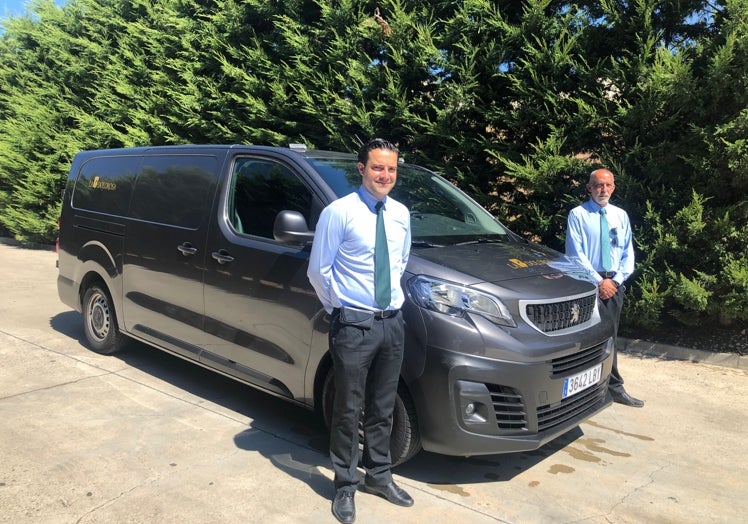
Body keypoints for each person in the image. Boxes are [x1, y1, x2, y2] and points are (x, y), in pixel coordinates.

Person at [307, 138, 413, 524]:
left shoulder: (400, 213)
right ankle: (345, 485)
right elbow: (319, 270)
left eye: (391, 169)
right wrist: (342, 307)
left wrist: (387, 302)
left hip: (392, 323)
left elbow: (399, 261)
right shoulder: (340, 212)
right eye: (377, 168)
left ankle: (380, 477)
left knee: (383, 408)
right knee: (347, 410)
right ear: (361, 169)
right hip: (354, 324)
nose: (385, 175)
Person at [565, 168, 644, 408]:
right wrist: (598, 282)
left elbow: (628, 253)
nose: (603, 190)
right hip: (588, 286)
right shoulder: (577, 215)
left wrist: (615, 281)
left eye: (608, 186)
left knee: (610, 337)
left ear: (613, 188)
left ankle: (613, 387)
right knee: (583, 339)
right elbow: (575, 254)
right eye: (598, 185)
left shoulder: (620, 216)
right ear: (589, 188)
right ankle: (579, 392)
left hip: (614, 286)